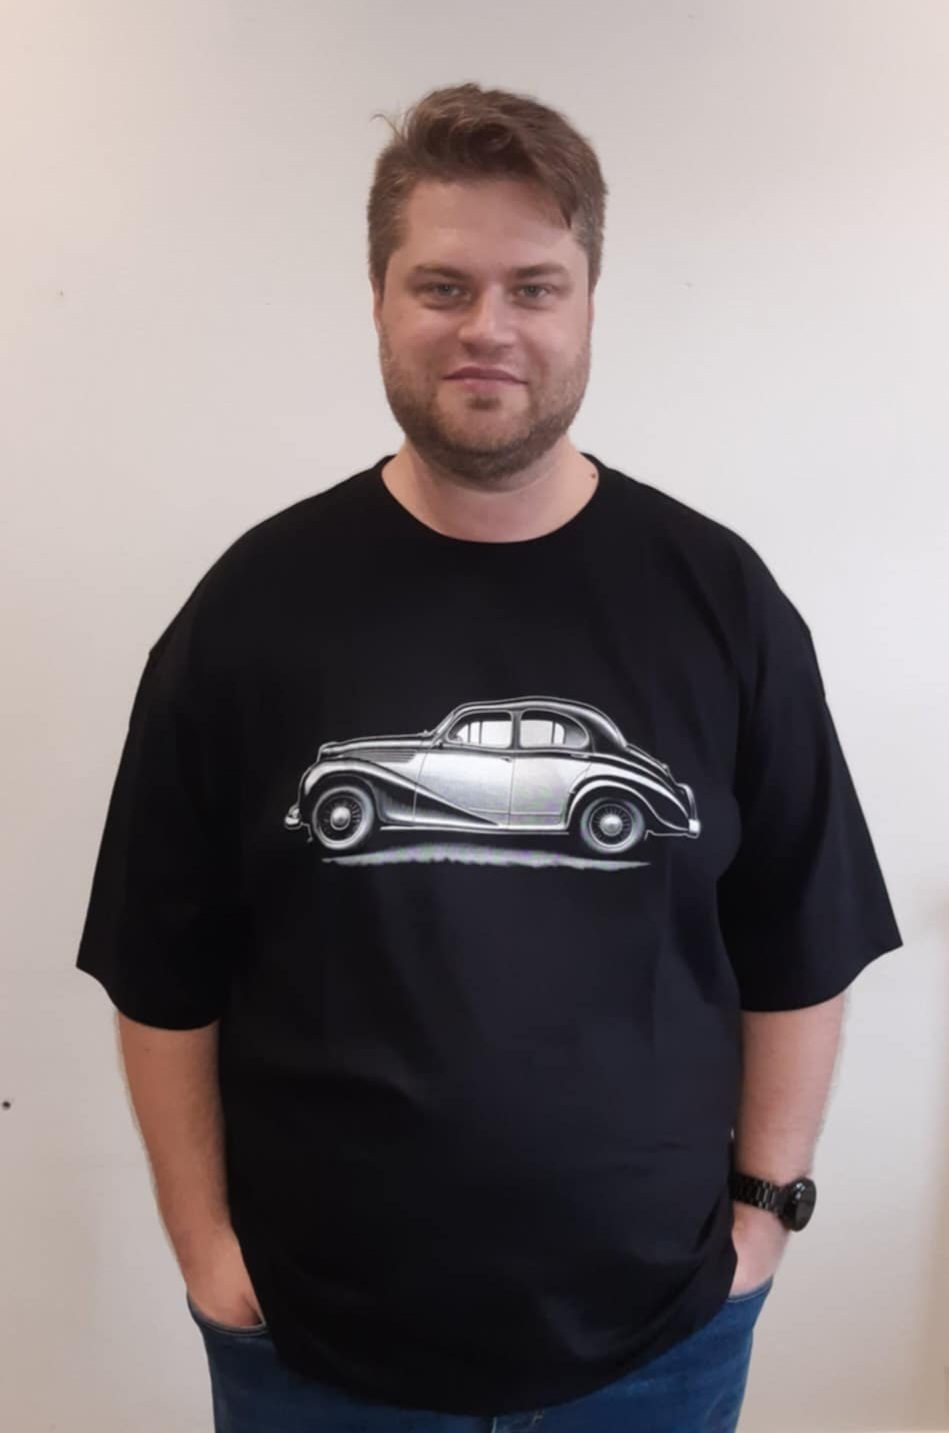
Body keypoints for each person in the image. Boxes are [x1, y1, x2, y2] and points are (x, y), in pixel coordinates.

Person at [75, 82, 903, 1433]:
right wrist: (205, 1249)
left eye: (534, 287)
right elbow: (159, 962)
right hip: (314, 1341)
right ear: (379, 300)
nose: (488, 328)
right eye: (443, 285)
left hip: (656, 1338)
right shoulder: (251, 608)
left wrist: (763, 1212)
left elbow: (799, 938)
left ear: (586, 306)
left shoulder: (720, 599)